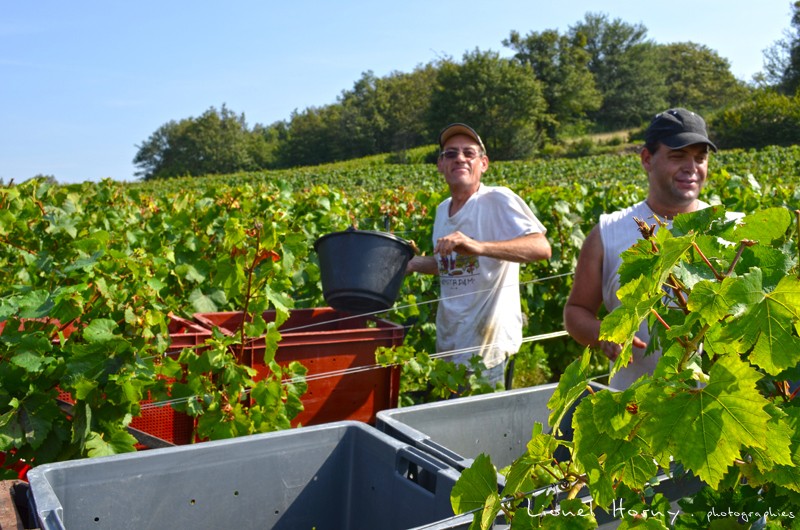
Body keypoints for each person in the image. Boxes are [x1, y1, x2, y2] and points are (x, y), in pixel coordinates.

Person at [563, 108, 720, 390]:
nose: (692, 167)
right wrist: (602, 334)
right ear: (647, 159)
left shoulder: (726, 230)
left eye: (700, 158)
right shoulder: (607, 233)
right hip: (634, 412)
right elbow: (575, 312)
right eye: (678, 156)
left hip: (713, 413)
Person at [406, 123, 552, 389]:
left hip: (488, 351)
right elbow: (451, 265)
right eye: (450, 154)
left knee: (485, 429)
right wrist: (414, 264)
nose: (459, 158)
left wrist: (478, 246)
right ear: (440, 165)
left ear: (483, 163)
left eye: (468, 153)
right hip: (449, 345)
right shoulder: (442, 211)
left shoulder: (497, 199)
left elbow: (541, 247)